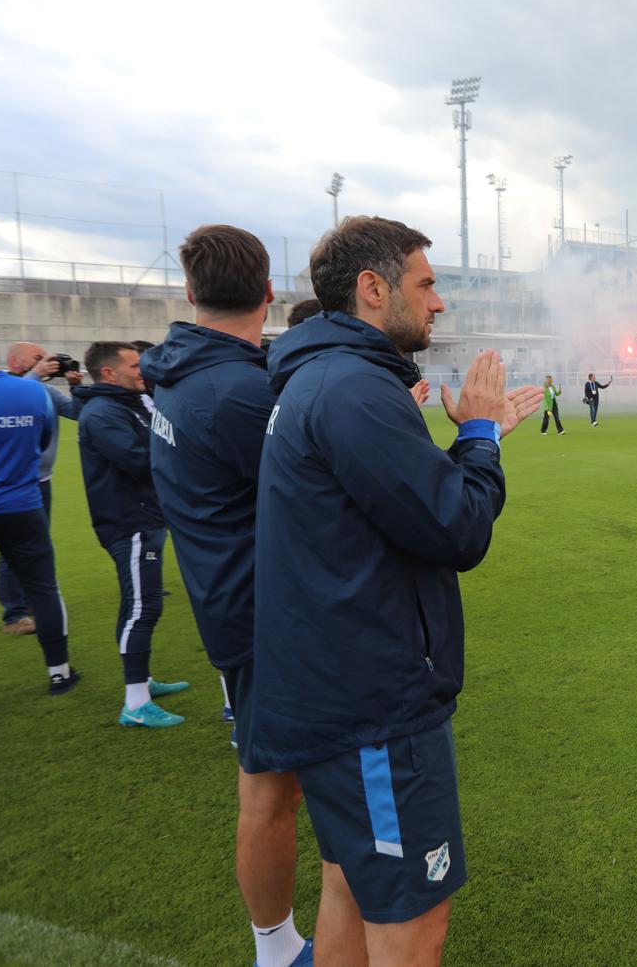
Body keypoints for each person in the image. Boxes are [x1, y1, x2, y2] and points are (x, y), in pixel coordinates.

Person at [249, 215, 540, 965]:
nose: (438, 302)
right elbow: (457, 529)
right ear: (373, 289)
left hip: (339, 691)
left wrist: (479, 439)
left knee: (351, 886)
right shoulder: (353, 389)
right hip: (371, 707)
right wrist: (477, 438)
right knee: (413, 924)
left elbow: (395, 510)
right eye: (426, 283)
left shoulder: (323, 377)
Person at [140, 224, 314, 967]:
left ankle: (277, 943)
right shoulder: (237, 391)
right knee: (273, 792)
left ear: (188, 292)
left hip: (231, 601)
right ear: (269, 293)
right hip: (266, 618)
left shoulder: (181, 370)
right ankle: (276, 950)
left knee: (273, 785)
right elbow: (317, 496)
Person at [0, 326, 79, 718]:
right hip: (22, 504)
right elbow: (42, 441)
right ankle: (59, 673)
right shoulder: (31, 391)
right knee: (43, 587)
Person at [76, 340, 189, 725]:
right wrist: (183, 449)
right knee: (143, 607)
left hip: (144, 518)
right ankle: (136, 705)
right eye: (135, 365)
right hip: (130, 523)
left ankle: (143, 681)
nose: (143, 371)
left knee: (137, 603)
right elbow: (139, 461)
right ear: (109, 373)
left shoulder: (127, 404)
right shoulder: (103, 412)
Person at [0, 342, 82, 635]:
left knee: (36, 545)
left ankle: (30, 601)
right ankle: (14, 615)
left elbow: (77, 413)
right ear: (16, 360)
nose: (48, 362)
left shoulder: (46, 391)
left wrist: (77, 387)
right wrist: (36, 374)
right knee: (13, 548)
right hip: (12, 482)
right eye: (38, 358)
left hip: (42, 480)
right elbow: (10, 402)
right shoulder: (3, 387)